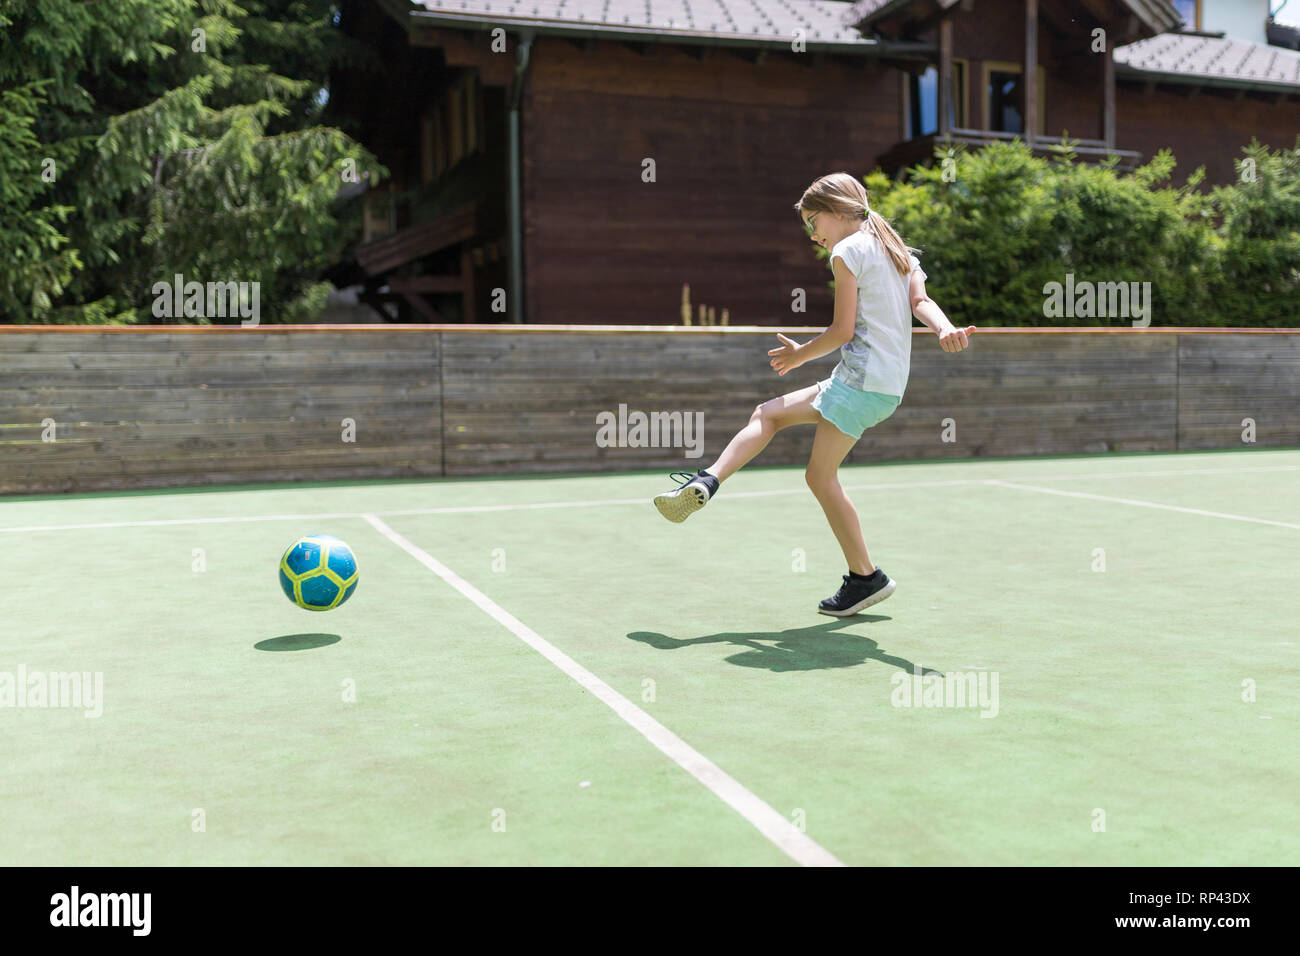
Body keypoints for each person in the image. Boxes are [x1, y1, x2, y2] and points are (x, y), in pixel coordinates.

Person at [653, 172, 975, 616]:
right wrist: (946, 328)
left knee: (780, 431)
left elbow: (843, 330)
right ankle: (864, 577)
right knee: (786, 436)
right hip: (882, 387)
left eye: (813, 222)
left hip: (859, 382)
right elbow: (920, 302)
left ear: (837, 211)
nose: (814, 235)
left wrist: (800, 355)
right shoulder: (896, 249)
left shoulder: (847, 251)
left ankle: (709, 482)